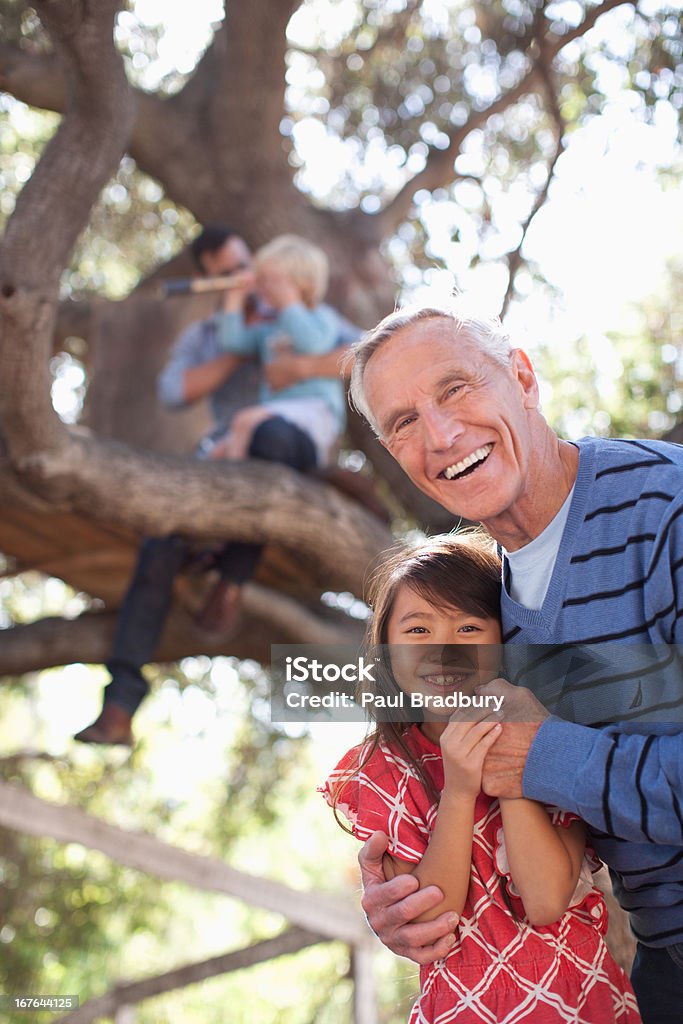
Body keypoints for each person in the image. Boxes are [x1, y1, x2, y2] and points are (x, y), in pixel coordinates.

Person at [346, 301, 683, 1023]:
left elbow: (546, 762)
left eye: (455, 387)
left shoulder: (667, 511)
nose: (439, 434)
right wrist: (409, 900)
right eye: (402, 422)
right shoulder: (491, 608)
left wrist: (544, 755)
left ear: (522, 377)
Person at [320, 533, 641, 1023]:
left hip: (578, 1000)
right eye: (418, 631)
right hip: (461, 1008)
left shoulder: (552, 736)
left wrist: (512, 766)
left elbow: (546, 900)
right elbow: (432, 920)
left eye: (469, 629)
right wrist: (460, 790)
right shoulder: (381, 769)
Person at [74, 226, 358, 747]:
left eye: (246, 266)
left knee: (268, 445)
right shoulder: (215, 335)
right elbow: (174, 390)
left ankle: (231, 577)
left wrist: (300, 362)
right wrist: (240, 324)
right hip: (228, 455)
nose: (246, 278)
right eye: (228, 274)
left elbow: (359, 350)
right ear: (209, 279)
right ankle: (119, 704)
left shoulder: (299, 317)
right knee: (159, 542)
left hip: (285, 448)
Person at [210, 234, 345, 466]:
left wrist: (290, 303)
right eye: (261, 280)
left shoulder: (322, 317)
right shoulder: (269, 327)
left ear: (301, 283)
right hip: (276, 410)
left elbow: (312, 344)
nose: (264, 288)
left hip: (315, 411)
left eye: (272, 281)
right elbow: (233, 343)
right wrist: (234, 299)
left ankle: (241, 481)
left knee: (244, 420)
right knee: (217, 451)